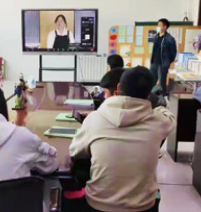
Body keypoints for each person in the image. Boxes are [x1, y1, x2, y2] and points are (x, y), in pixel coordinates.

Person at [69, 66, 176, 212]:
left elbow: (75, 151)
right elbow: (169, 115)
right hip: (142, 207)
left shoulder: (94, 119)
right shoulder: (159, 122)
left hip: (98, 204)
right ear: (149, 93)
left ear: (118, 88)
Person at [150, 18, 177, 96]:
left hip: (163, 64)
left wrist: (167, 62)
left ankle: (163, 98)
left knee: (162, 83)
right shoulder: (156, 37)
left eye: (160, 25)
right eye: (157, 25)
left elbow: (173, 53)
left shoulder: (170, 39)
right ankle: (152, 96)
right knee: (151, 81)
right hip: (154, 62)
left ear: (165, 27)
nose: (158, 26)